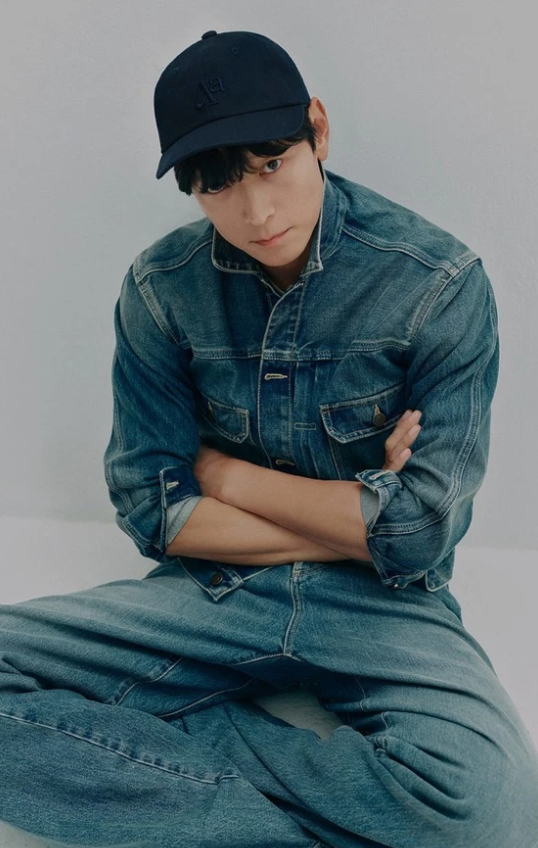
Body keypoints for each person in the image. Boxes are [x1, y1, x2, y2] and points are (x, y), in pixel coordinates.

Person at [0, 29, 537, 848]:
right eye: (217, 183)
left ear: (317, 128)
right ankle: (276, 792)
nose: (255, 211)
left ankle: (161, 756)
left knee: (488, 812)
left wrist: (223, 477)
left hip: (384, 607)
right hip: (218, 588)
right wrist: (362, 518)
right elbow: (151, 510)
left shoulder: (437, 283)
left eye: (270, 163)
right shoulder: (160, 288)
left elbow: (421, 536)